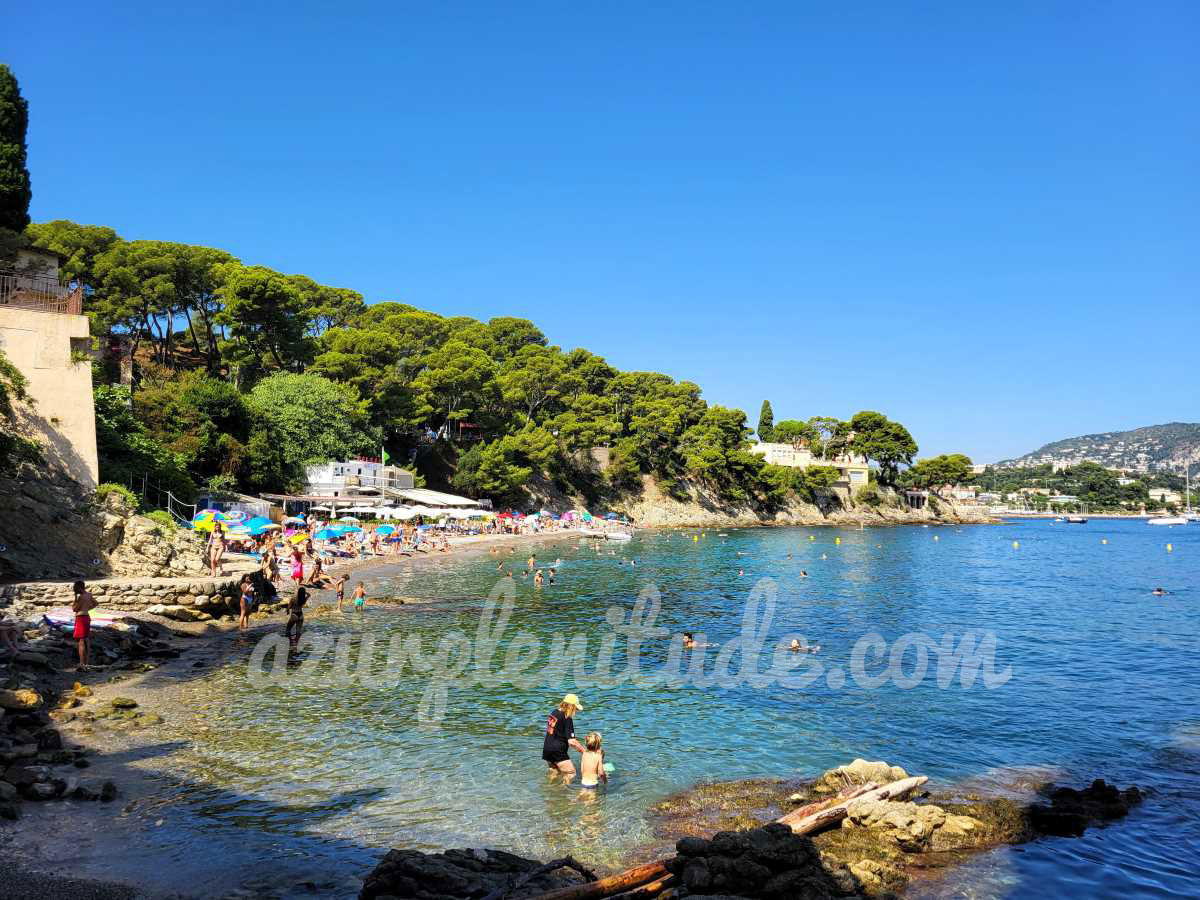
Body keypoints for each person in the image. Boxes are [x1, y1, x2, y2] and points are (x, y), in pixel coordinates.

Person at [542, 693, 586, 780]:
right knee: (571, 773)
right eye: (575, 708)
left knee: (554, 772)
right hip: (557, 751)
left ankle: (550, 791)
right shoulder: (567, 717)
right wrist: (585, 752)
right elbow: (572, 742)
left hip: (547, 748)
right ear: (571, 706)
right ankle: (564, 792)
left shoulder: (554, 712)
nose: (576, 711)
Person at [72, 581, 96, 671]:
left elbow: (74, 609)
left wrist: (75, 599)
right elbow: (96, 603)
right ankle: (87, 663)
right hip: (87, 616)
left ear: (78, 588)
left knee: (81, 641)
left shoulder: (80, 597)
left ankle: (81, 663)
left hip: (80, 618)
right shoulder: (89, 595)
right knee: (87, 639)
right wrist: (87, 609)